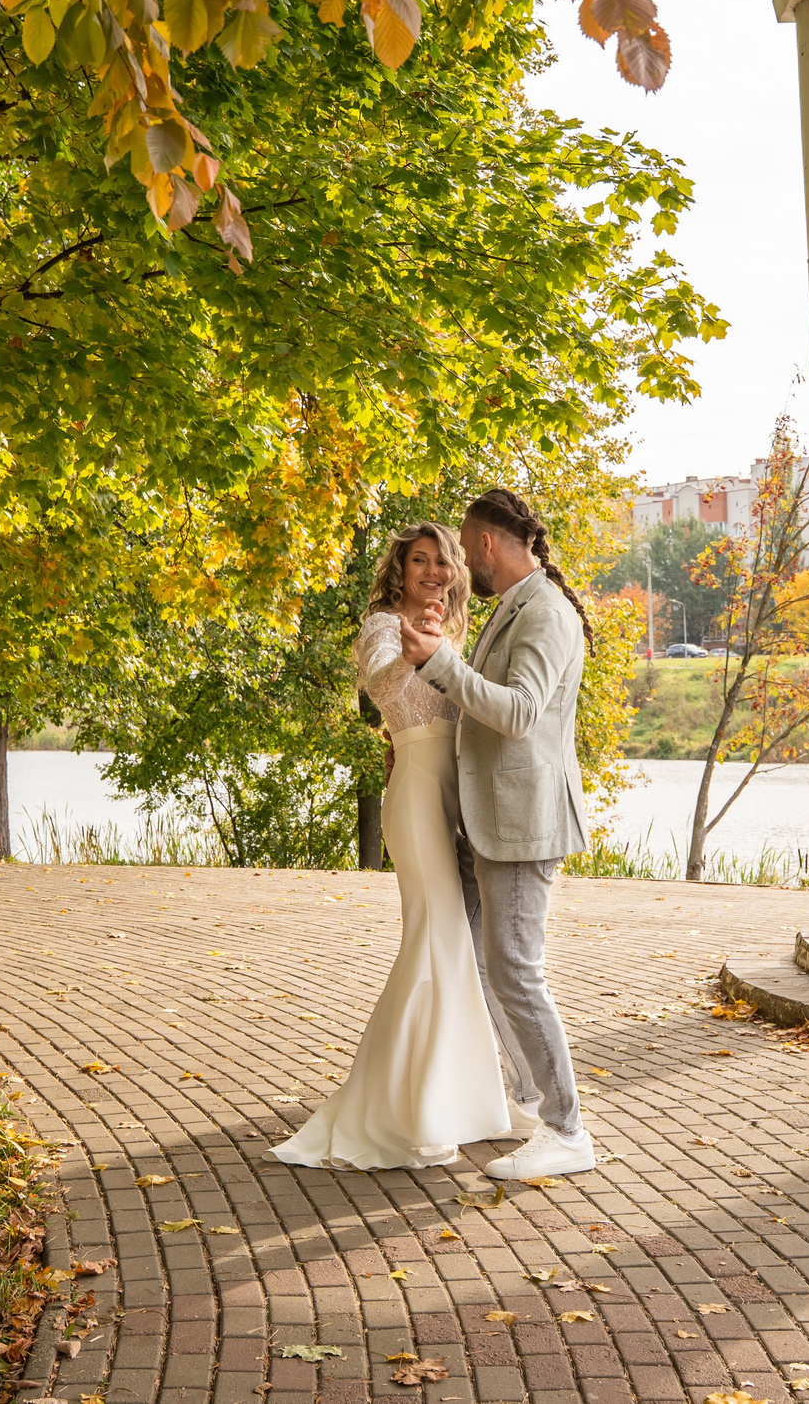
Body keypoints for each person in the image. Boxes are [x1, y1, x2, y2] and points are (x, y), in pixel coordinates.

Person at [270, 523, 515, 1170]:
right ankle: (406, 1108)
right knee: (436, 936)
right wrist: (416, 650)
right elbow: (380, 685)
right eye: (419, 561)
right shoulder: (382, 624)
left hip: (455, 794)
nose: (432, 572)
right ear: (400, 570)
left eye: (442, 562)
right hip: (413, 789)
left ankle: (456, 1099)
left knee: (454, 942)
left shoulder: (452, 632)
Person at [401, 487, 596, 1180]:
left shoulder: (544, 611)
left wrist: (441, 666)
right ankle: (529, 1101)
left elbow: (517, 713)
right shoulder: (514, 607)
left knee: (516, 970)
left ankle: (567, 1128)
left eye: (464, 545)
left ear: (487, 543)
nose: (462, 566)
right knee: (490, 967)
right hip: (486, 817)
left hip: (523, 823)